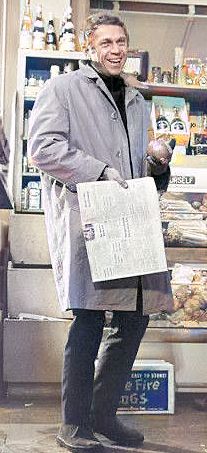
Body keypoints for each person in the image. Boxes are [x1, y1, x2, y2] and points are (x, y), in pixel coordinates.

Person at [28, 14, 174, 452]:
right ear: (90, 47)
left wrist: (158, 168)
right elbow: (43, 148)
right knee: (89, 319)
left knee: (135, 316)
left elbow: (137, 167)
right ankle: (74, 424)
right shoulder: (63, 89)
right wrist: (100, 172)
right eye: (107, 42)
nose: (115, 49)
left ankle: (103, 414)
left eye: (122, 42)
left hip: (130, 220)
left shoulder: (136, 98)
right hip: (87, 218)